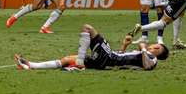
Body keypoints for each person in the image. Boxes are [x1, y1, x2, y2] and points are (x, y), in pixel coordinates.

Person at [15, 23, 169, 71]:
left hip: (110, 59)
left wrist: (142, 46)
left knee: (88, 28)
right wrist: (125, 44)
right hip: (109, 60)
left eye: (156, 48)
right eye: (155, 46)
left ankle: (80, 64)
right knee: (68, 59)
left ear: (158, 54)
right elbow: (123, 56)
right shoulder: (144, 54)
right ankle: (31, 65)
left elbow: (147, 65)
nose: (153, 48)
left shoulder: (152, 59)